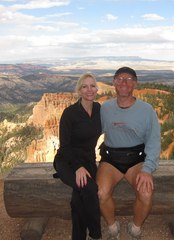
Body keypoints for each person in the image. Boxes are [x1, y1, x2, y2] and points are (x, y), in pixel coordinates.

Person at [97, 67, 161, 240]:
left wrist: (147, 169)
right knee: (100, 193)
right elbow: (93, 131)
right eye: (120, 78)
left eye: (129, 79)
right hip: (110, 159)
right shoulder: (105, 108)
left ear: (135, 83)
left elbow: (154, 141)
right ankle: (112, 228)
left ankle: (135, 229)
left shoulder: (146, 110)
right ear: (114, 83)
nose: (124, 82)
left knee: (146, 193)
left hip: (137, 159)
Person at [53, 73, 102, 240]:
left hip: (88, 160)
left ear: (96, 89)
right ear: (79, 90)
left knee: (78, 198)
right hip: (66, 161)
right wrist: (77, 167)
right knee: (89, 188)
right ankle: (96, 234)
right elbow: (65, 146)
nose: (89, 90)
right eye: (85, 86)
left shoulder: (99, 110)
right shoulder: (70, 113)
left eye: (92, 86)